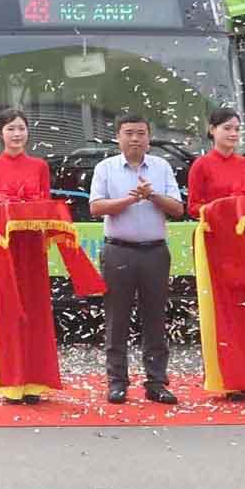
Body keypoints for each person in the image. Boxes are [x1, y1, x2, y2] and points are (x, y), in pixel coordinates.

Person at [89, 113, 184, 405]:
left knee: (155, 318)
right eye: (129, 133)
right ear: (118, 137)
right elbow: (96, 207)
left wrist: (151, 195)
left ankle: (156, 382)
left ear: (149, 137)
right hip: (119, 250)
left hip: (155, 251)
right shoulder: (105, 168)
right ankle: (117, 382)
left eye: (141, 133)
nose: (135, 139)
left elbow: (178, 209)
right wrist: (131, 199)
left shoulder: (162, 167)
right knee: (117, 318)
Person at [187, 108, 245, 401]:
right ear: (212, 130)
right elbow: (194, 206)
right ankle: (228, 377)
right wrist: (221, 207)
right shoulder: (201, 165)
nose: (233, 134)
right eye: (226, 128)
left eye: (236, 128)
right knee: (221, 311)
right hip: (213, 241)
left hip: (240, 240)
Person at [0, 108, 57, 404]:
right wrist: (8, 210)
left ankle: (36, 382)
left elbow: (47, 205)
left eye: (21, 128)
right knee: (8, 309)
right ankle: (11, 383)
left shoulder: (39, 166)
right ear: (1, 133)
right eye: (11, 129)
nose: (16, 134)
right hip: (6, 247)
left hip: (33, 248)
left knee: (36, 310)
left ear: (28, 132)